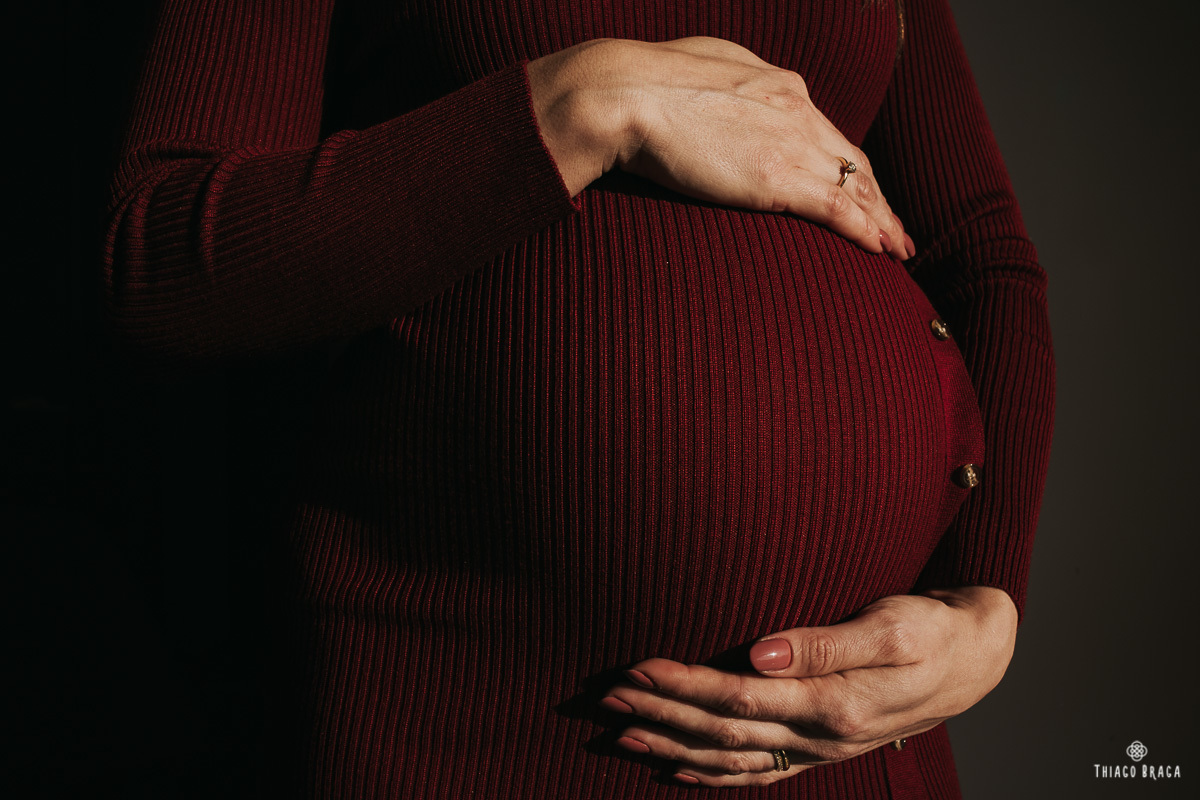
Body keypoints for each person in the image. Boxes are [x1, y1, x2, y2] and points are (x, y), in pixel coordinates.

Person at [103, 0, 1055, 797]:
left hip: (844, 738)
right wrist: (584, 101)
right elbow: (160, 262)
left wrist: (987, 600)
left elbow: (984, 262)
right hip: (470, 717)